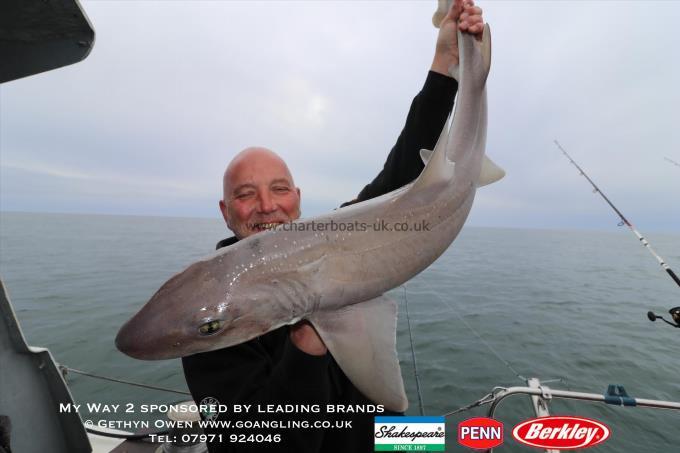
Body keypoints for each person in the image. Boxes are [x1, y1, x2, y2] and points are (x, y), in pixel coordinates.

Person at [182, 1, 485, 452]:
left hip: (386, 435)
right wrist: (309, 336)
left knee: (436, 440)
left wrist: (445, 61)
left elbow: (401, 171)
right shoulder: (209, 316)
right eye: (246, 195)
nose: (266, 206)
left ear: (298, 201)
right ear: (226, 212)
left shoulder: (335, 237)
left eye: (279, 189)